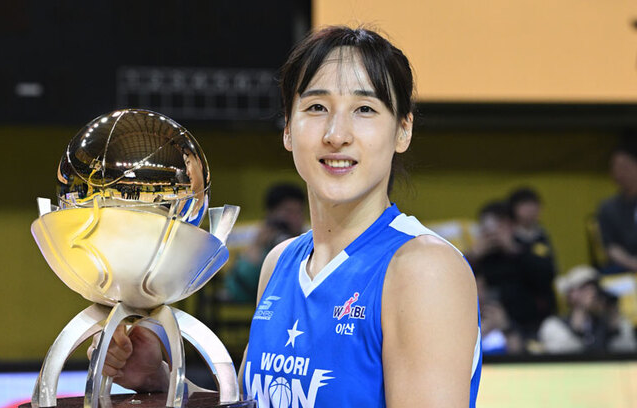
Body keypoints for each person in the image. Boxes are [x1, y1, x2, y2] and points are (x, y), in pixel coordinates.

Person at [93, 26, 482, 407]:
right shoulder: (280, 262)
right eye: (316, 107)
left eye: (364, 109)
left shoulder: (424, 269)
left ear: (403, 130)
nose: (336, 134)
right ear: (288, 129)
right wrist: (161, 380)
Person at [468, 201, 555, 340]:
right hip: (486, 323)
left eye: (500, 226)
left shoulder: (529, 248)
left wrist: (512, 249)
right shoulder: (481, 258)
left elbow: (546, 278)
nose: (493, 234)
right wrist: (473, 256)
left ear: (511, 226)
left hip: (529, 325)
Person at [223, 183, 306, 302]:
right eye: (289, 212)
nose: (295, 219)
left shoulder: (308, 243)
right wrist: (257, 246)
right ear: (271, 213)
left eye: (299, 212)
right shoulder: (259, 240)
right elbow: (238, 290)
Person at [538, 265, 636, 354]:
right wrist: (579, 317)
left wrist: (614, 325)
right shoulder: (554, 325)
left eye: (594, 288)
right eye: (584, 288)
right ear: (570, 294)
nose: (592, 293)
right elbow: (561, 357)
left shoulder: (613, 323)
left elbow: (628, 354)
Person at [597, 141, 637, 273]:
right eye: (615, 168)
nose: (620, 173)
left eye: (625, 167)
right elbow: (610, 246)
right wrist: (633, 264)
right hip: (622, 270)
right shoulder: (607, 208)